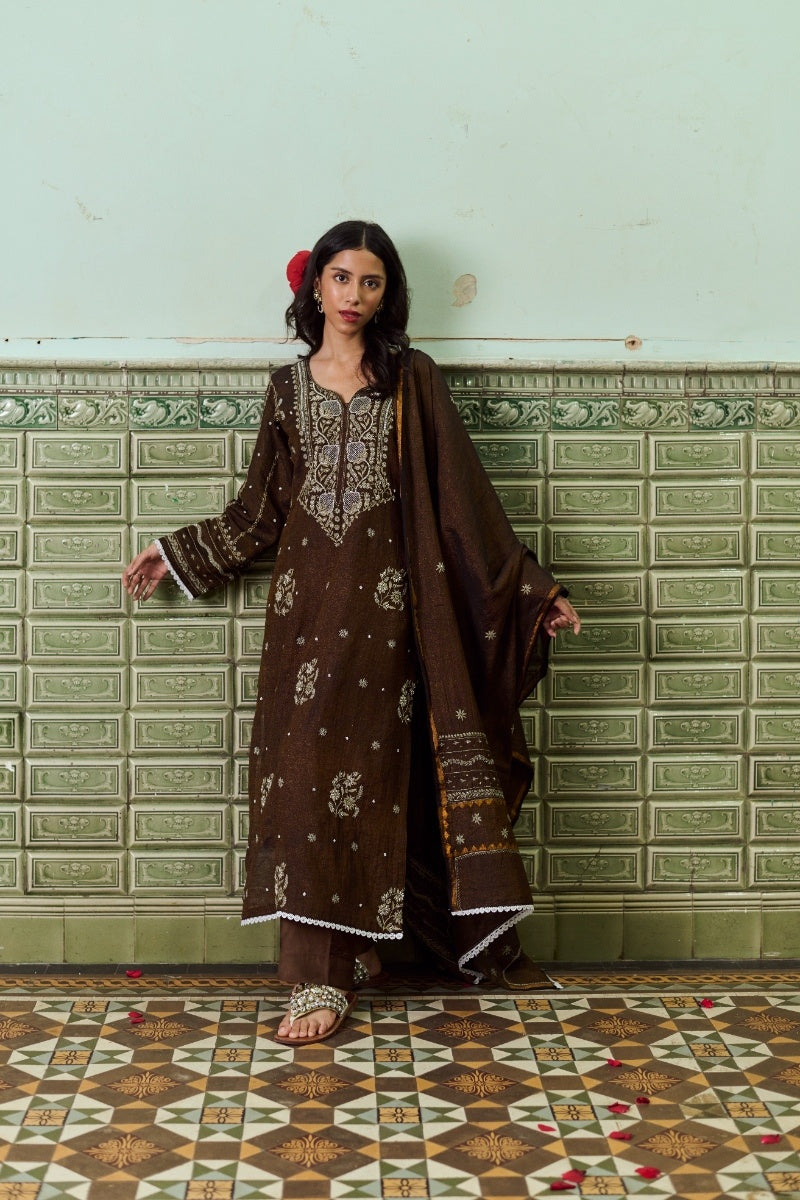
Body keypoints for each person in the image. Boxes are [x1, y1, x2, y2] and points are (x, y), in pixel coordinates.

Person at [122, 220, 580, 1046]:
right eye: (341, 278)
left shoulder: (413, 381)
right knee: (302, 783)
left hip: (392, 621)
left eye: (371, 282)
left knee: (376, 781)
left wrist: (533, 592)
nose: (354, 296)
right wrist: (174, 551)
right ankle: (326, 969)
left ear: (386, 294)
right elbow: (259, 512)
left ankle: (346, 963)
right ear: (316, 287)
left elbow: (464, 500)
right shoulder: (285, 390)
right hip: (304, 624)